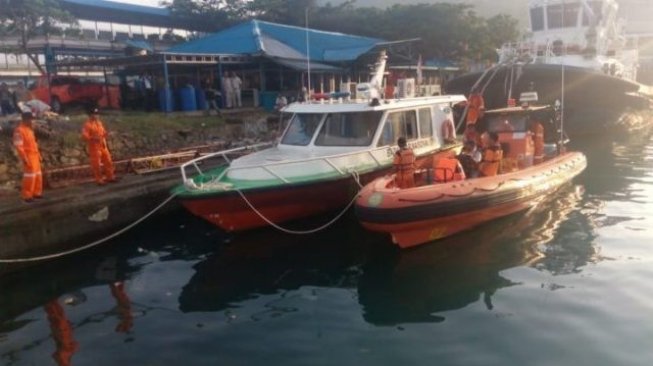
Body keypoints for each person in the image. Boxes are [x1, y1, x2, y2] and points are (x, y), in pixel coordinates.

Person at [13, 111, 43, 202]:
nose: (33, 121)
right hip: (28, 156)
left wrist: (39, 155)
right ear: (26, 119)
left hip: (35, 155)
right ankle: (27, 195)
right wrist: (25, 158)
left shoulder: (29, 129)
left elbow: (33, 144)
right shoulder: (19, 130)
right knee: (29, 176)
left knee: (38, 175)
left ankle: (36, 193)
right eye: (31, 119)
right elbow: (19, 146)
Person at [82, 107, 116, 185]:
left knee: (108, 161)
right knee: (96, 164)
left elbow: (103, 132)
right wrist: (93, 138)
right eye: (94, 114)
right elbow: (84, 136)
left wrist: (108, 134)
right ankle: (99, 180)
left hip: (103, 145)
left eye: (97, 114)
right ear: (90, 115)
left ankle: (110, 177)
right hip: (94, 147)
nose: (96, 116)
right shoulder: (87, 125)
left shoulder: (99, 123)